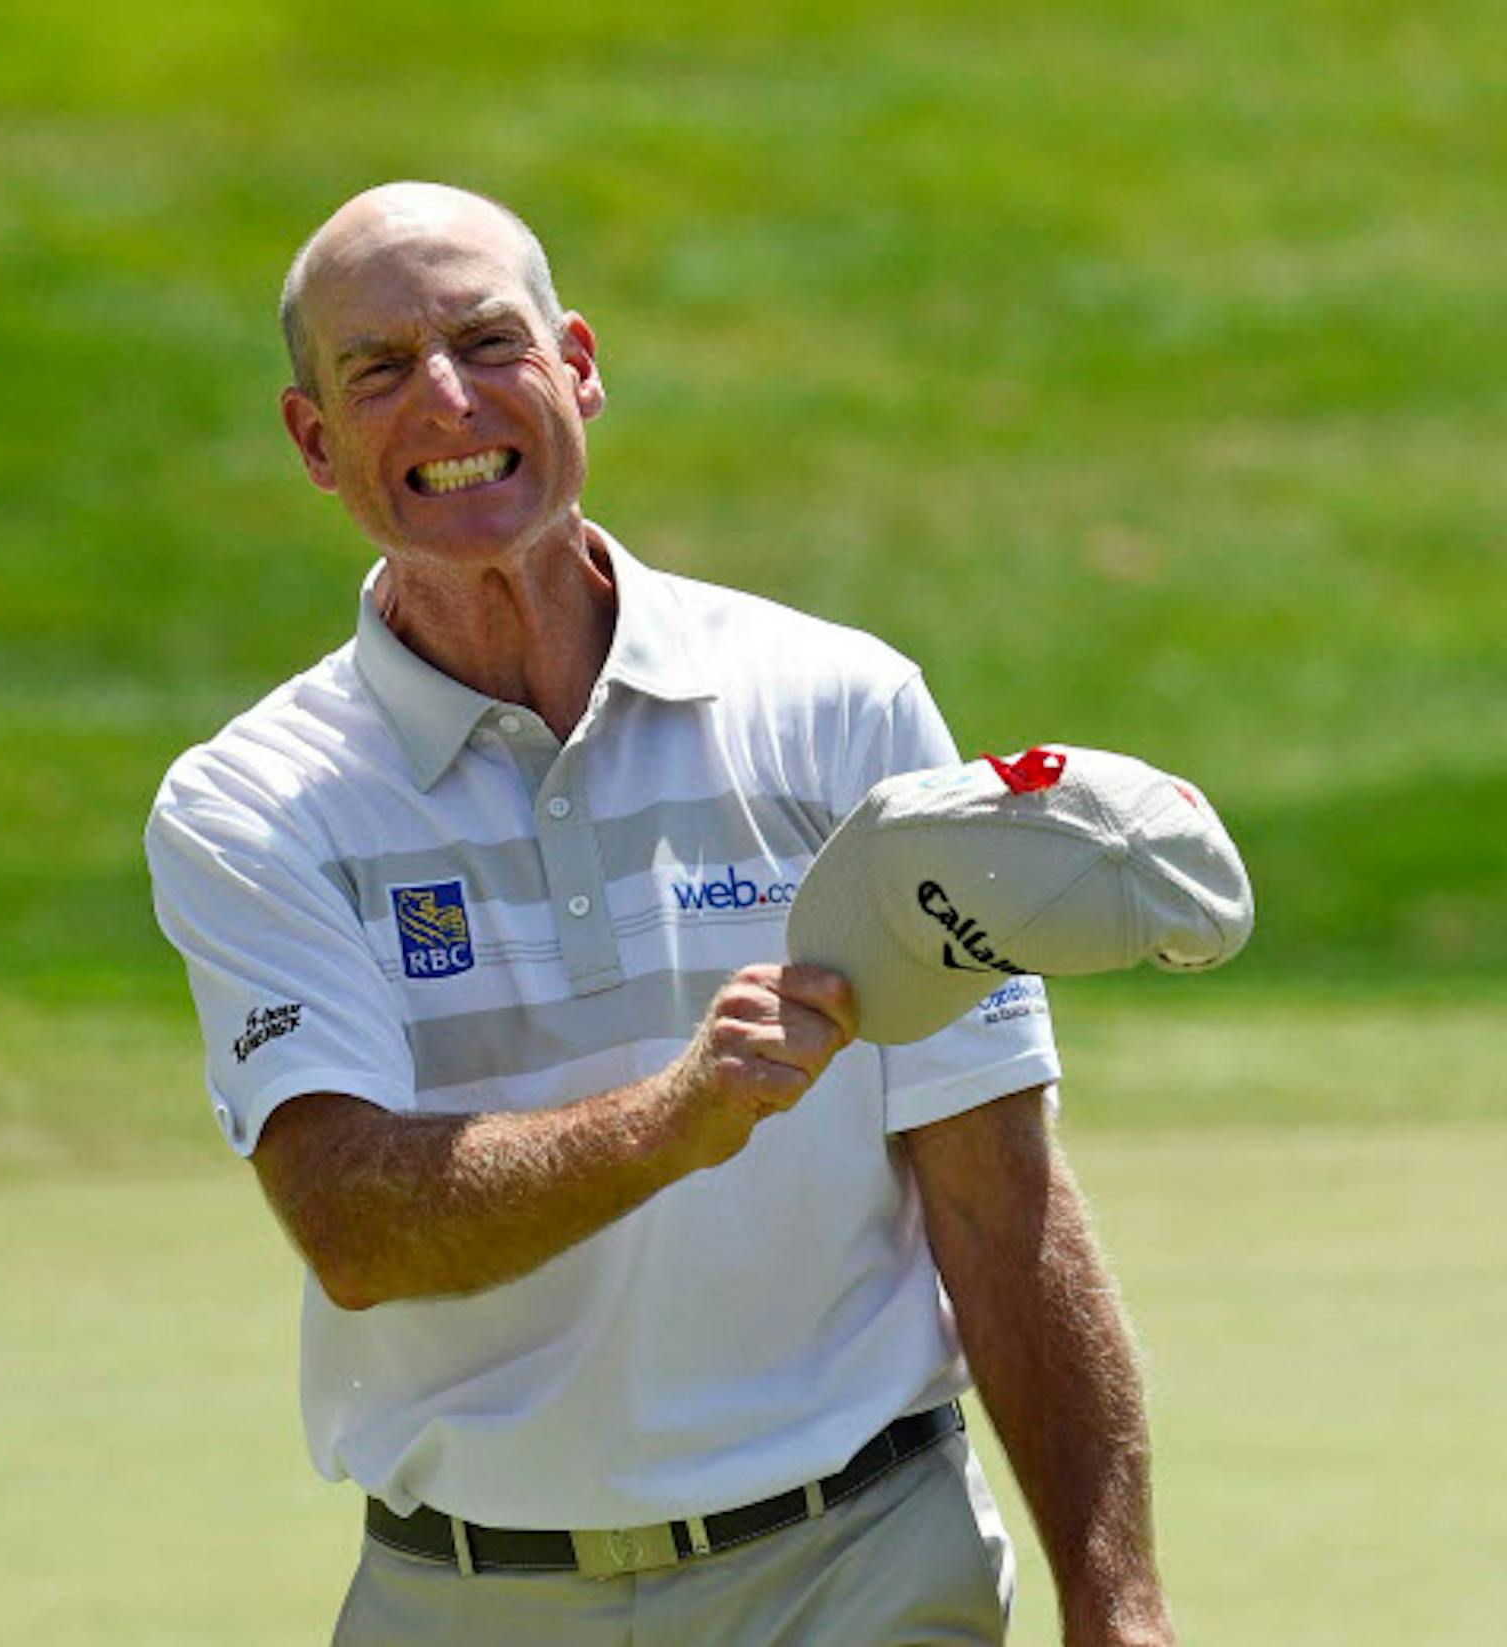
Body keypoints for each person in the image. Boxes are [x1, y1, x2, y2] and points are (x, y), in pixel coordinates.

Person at [144, 181, 1176, 1646]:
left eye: (489, 341)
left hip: (864, 1561)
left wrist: (1116, 1600)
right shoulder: (255, 802)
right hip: (475, 1595)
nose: (448, 398)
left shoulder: (837, 705)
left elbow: (994, 1181)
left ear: (577, 363)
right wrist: (678, 1118)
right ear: (317, 442)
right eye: (379, 369)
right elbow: (357, 1224)